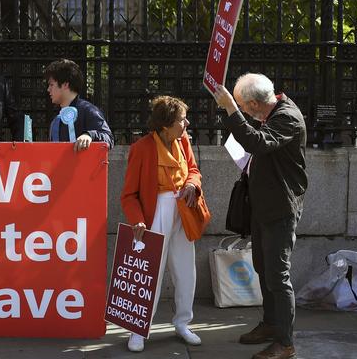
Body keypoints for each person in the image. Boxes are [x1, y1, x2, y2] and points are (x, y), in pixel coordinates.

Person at [213, 73, 307, 359]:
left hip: (280, 207)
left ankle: (285, 342)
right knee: (263, 268)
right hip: (263, 204)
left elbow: (258, 143)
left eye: (242, 105)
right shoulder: (269, 112)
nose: (241, 110)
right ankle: (270, 324)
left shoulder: (287, 117)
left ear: (254, 104)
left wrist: (230, 108)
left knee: (278, 275)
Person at [120, 96, 204, 352]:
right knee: (148, 274)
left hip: (183, 210)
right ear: (166, 125)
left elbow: (193, 170)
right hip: (156, 213)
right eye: (181, 119)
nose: (186, 123)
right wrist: (138, 221)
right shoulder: (142, 148)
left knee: (185, 271)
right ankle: (137, 329)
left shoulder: (183, 140)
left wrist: (192, 184)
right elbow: (128, 194)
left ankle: (183, 323)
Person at [44, 59, 114, 151]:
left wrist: (89, 135)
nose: (48, 89)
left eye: (51, 85)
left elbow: (108, 138)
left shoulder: (88, 110)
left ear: (65, 84)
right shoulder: (56, 120)